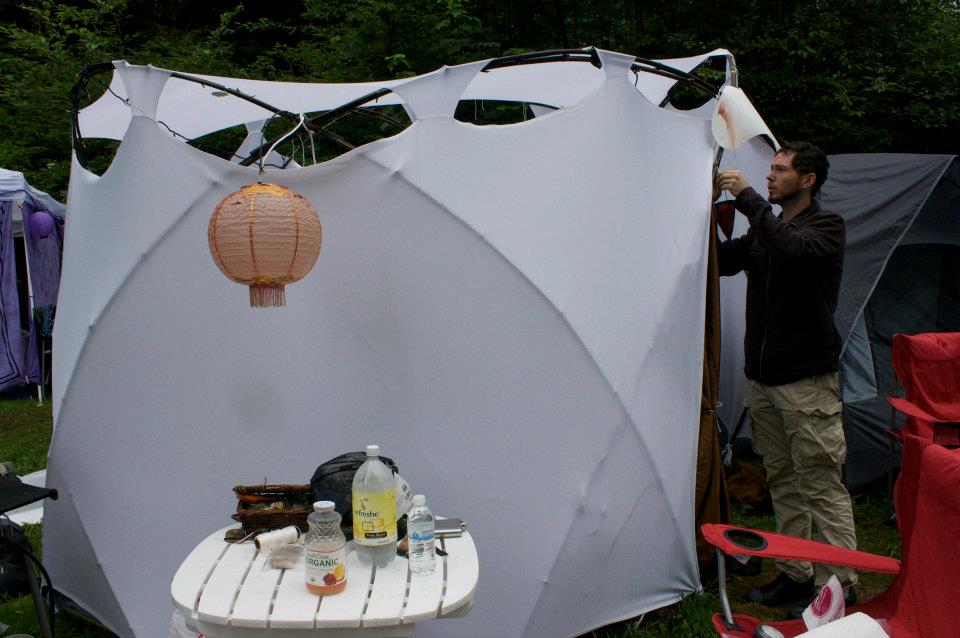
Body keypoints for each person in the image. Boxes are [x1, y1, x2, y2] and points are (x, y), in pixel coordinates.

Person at [715, 142, 857, 614]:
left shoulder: (824, 227)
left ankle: (840, 584)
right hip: (764, 379)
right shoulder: (766, 229)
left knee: (819, 481)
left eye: (780, 170)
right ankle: (797, 574)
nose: (771, 176)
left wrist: (751, 200)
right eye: (770, 170)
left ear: (808, 179)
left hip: (806, 382)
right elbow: (726, 261)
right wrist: (698, 215)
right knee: (784, 480)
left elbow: (793, 251)